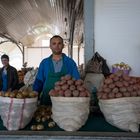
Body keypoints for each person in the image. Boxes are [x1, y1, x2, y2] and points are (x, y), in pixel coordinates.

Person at [33, 35, 80, 105]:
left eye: (59, 43)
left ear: (63, 45)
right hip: (47, 99)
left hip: (65, 101)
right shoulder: (44, 63)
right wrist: (35, 92)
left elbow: (76, 81)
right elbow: (39, 80)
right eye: (54, 43)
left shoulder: (70, 62)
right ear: (50, 46)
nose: (57, 46)